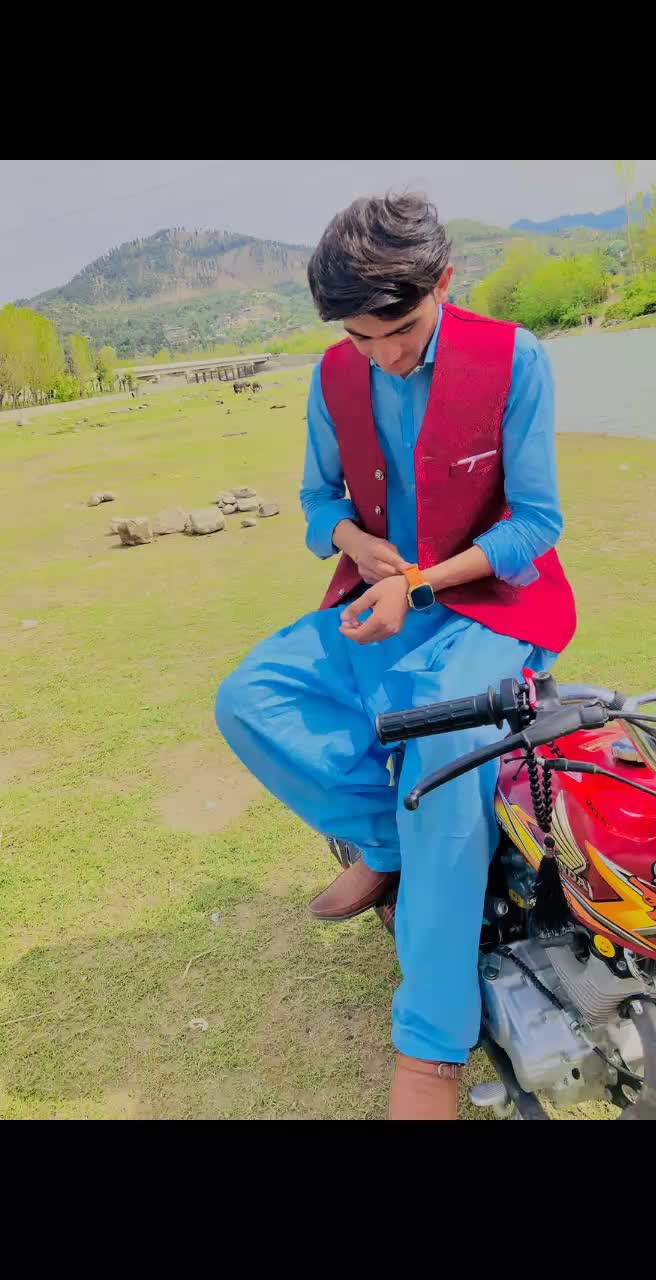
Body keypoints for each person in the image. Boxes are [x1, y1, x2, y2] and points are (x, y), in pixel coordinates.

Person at [216, 194, 576, 1120]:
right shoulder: (335, 375)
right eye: (360, 338)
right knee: (250, 698)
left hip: (487, 609)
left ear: (443, 282)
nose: (383, 356)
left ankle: (430, 1048)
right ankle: (388, 843)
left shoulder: (513, 358)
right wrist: (354, 541)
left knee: (440, 755)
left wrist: (419, 583)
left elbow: (536, 524)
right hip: (378, 604)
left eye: (401, 331)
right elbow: (317, 503)